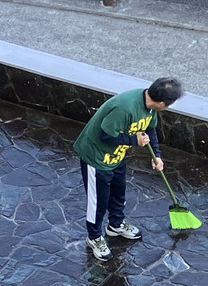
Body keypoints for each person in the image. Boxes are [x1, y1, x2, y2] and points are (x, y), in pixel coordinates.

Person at [74, 77, 184, 261]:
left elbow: (150, 130)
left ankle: (115, 225)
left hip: (116, 156)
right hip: (96, 157)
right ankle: (94, 238)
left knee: (118, 192)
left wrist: (156, 155)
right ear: (162, 103)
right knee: (98, 202)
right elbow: (104, 135)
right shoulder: (124, 108)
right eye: (169, 104)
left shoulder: (150, 107)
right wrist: (134, 140)